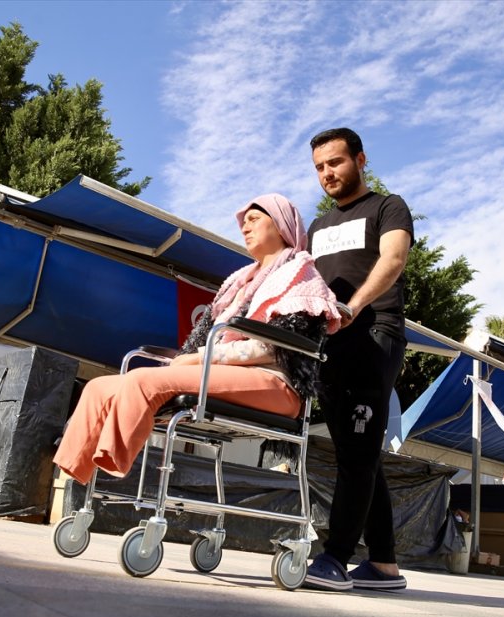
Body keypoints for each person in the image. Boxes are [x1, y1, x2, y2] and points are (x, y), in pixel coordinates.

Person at [53, 193, 341, 486]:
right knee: (99, 387)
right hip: (225, 374)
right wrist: (189, 358)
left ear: (280, 225)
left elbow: (279, 346)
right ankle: (70, 478)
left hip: (275, 383)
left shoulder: (303, 276)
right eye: (244, 222)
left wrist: (200, 357)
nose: (245, 227)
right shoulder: (240, 282)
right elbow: (206, 340)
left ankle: (113, 472)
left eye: (254, 219)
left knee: (144, 381)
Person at [302, 127, 415, 592]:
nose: (328, 173)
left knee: (359, 450)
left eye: (335, 162)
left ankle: (335, 556)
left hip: (374, 332)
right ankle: (384, 564)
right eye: (320, 167)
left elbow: (393, 260)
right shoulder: (318, 228)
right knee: (357, 451)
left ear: (360, 159)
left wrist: (355, 305)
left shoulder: (388, 207)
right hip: (330, 344)